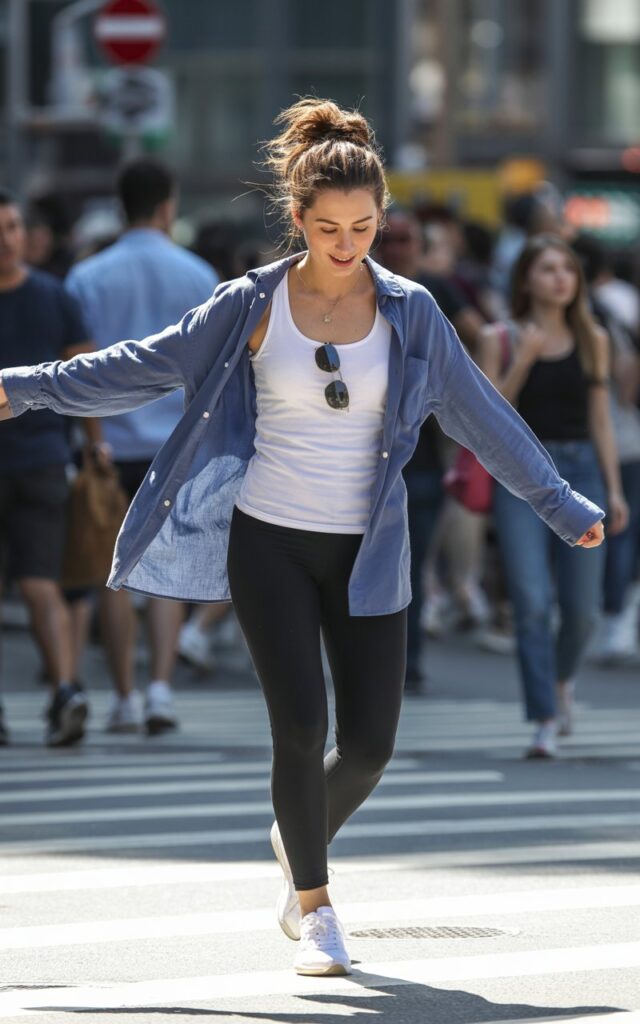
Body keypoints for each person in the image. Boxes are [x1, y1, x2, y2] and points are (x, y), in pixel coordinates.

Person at [0, 99, 605, 977]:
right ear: (298, 220)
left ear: (382, 217)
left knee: (368, 744)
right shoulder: (252, 304)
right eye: (328, 228)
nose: (347, 243)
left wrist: (559, 502)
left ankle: (297, 833)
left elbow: (483, 416)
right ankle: (317, 908)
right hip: (270, 541)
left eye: (363, 226)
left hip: (370, 551)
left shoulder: (414, 315)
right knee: (299, 724)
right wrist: (24, 386)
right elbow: (140, 364)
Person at [65, 158, 219, 735]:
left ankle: (124, 696)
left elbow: (75, 364)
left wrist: (88, 439)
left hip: (107, 439)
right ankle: (159, 689)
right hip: (175, 441)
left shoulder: (87, 276)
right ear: (166, 206)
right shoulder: (199, 274)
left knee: (116, 573)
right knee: (168, 569)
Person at [479, 235, 628, 759]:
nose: (560, 278)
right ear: (526, 279)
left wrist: (613, 489)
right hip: (523, 477)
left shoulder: (593, 337)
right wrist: (525, 357)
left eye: (567, 269)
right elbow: (489, 413)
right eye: (547, 269)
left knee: (582, 610)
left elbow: (600, 420)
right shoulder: (501, 336)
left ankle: (562, 679)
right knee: (532, 603)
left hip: (582, 472)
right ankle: (544, 717)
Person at [0, 187, 103, 746]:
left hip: (40, 459)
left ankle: (66, 689)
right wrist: (92, 441)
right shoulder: (55, 294)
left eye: (12, 227)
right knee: (42, 583)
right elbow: (84, 374)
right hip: (43, 457)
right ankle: (65, 690)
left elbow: (82, 374)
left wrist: (93, 444)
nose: (6, 239)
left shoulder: (54, 296)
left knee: (43, 583)